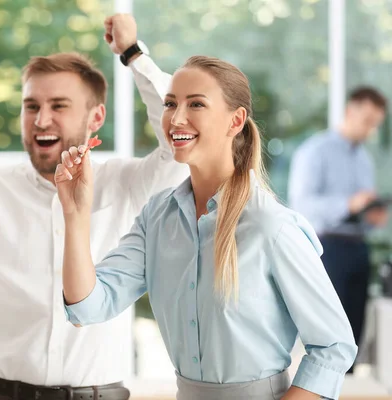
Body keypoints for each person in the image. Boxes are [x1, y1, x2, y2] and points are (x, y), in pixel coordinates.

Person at [0, 14, 188, 400]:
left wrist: (133, 54)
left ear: (96, 118)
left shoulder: (126, 185)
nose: (41, 120)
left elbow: (179, 133)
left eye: (59, 106)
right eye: (30, 106)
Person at [56, 55, 357, 400]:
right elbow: (86, 308)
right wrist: (75, 213)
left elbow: (333, 348)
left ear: (236, 121)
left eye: (196, 103)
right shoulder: (157, 217)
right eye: (170, 104)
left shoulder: (270, 226)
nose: (176, 117)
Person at [288, 87, 388, 371]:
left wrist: (372, 215)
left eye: (375, 124)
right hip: (327, 250)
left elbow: (362, 211)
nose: (370, 129)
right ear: (349, 111)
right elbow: (302, 205)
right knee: (328, 335)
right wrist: (349, 203)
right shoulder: (315, 151)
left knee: (354, 331)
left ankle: (348, 386)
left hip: (359, 248)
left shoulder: (363, 159)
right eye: (367, 120)